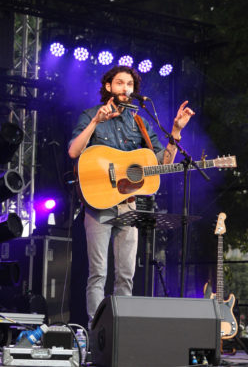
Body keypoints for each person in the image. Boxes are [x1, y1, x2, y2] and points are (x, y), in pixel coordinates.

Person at [68, 65, 195, 328]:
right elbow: (73, 152)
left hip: (128, 206)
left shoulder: (139, 120)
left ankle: (121, 330)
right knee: (98, 274)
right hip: (97, 205)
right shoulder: (90, 114)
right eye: (119, 83)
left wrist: (176, 131)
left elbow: (163, 162)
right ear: (108, 87)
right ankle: (97, 330)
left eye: (129, 84)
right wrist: (95, 123)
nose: (125, 88)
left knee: (126, 274)